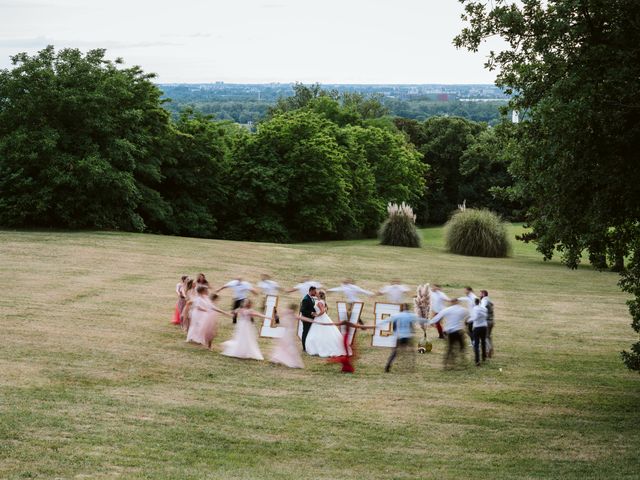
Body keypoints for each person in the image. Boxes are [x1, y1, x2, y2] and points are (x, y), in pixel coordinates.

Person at [378, 305, 428, 373]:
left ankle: (388, 366)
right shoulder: (410, 315)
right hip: (407, 336)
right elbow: (420, 319)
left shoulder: (398, 315)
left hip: (399, 336)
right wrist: (429, 321)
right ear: (408, 308)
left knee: (394, 352)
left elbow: (388, 320)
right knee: (411, 352)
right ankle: (411, 367)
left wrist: (378, 324)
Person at [428, 298, 469, 368]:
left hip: (449, 332)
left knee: (450, 348)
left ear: (451, 302)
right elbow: (469, 314)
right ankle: (463, 361)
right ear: (457, 302)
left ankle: (446, 364)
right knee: (462, 347)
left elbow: (438, 317)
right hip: (458, 331)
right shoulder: (461, 310)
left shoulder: (447, 310)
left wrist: (430, 322)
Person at [304, 290, 346, 357]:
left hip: (320, 318)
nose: (316, 293)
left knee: (320, 332)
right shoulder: (321, 301)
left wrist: (317, 315)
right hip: (323, 318)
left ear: (319, 295)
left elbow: (322, 311)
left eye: (317, 293)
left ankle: (321, 348)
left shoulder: (320, 302)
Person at [270, 304, 304, 369]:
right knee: (288, 346)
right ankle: (294, 362)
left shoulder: (289, 313)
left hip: (287, 332)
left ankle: (276, 359)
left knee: (284, 346)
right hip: (288, 332)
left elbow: (278, 318)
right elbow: (303, 318)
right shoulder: (291, 313)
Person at [467, 298, 488, 366]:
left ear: (474, 303)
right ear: (479, 302)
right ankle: (484, 356)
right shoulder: (484, 308)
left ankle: (477, 360)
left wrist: (468, 321)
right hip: (484, 327)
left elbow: (474, 317)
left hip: (477, 327)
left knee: (476, 344)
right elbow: (486, 316)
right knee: (483, 342)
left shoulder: (475, 309)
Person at [299, 285, 317, 351]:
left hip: (310, 319)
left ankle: (308, 346)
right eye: (315, 292)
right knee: (305, 332)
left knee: (308, 332)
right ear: (311, 291)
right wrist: (311, 313)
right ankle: (304, 348)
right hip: (306, 319)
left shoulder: (311, 298)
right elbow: (302, 310)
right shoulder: (306, 299)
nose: (315, 293)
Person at [480, 289, 495, 357]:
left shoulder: (484, 300)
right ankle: (490, 349)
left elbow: (482, 308)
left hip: (487, 321)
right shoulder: (489, 300)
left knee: (485, 337)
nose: (479, 295)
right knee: (488, 336)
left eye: (480, 294)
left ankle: (488, 350)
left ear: (483, 294)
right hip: (492, 321)